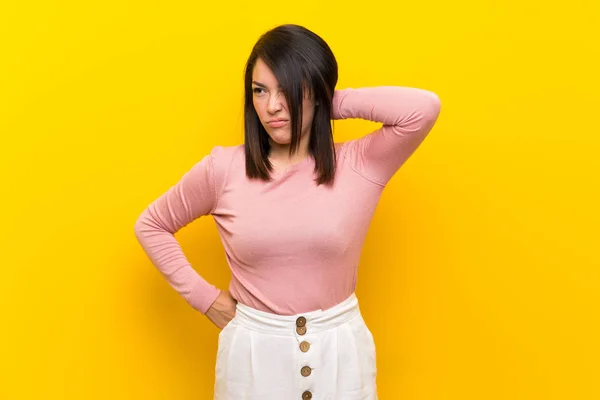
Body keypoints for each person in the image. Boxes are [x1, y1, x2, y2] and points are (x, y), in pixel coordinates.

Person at [134, 23, 441, 400]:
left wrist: (326, 101)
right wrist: (205, 298)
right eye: (260, 91)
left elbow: (423, 108)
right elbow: (152, 224)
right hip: (252, 354)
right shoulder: (222, 169)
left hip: (340, 353)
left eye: (288, 91)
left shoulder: (361, 164)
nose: (272, 106)